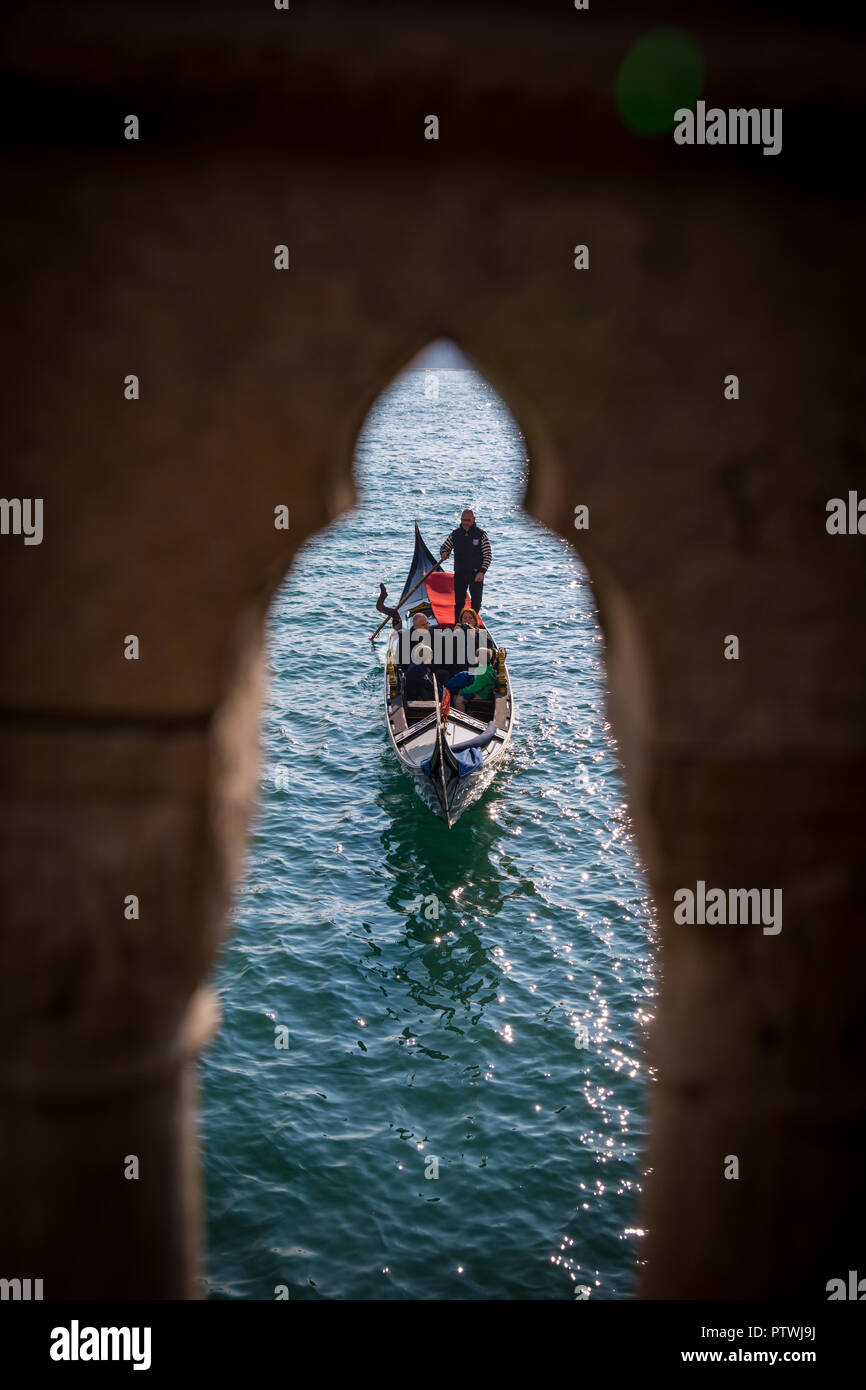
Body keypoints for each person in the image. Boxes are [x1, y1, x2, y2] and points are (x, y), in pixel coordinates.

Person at [440, 509, 492, 626]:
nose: (465, 523)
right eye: (463, 520)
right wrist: (444, 553)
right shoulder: (455, 534)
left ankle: (472, 625)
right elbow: (444, 547)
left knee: (476, 602)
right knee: (459, 602)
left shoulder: (481, 535)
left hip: (476, 574)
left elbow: (488, 556)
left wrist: (482, 572)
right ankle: (458, 625)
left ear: (474, 519)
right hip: (460, 573)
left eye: (468, 520)